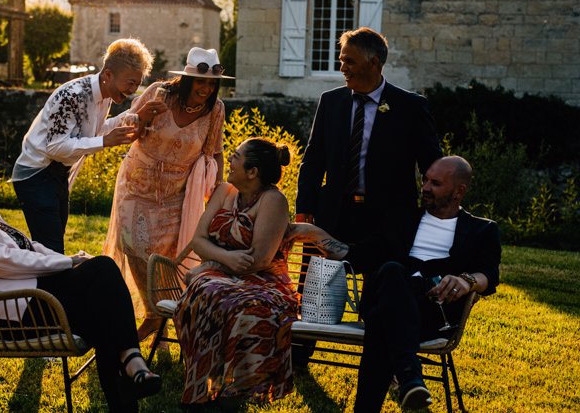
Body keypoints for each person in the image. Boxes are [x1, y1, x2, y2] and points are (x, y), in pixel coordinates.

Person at [0, 145, 161, 412]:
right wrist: (67, 263)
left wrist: (68, 258)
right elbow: (5, 261)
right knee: (103, 273)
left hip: (27, 299)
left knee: (101, 312)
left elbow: (29, 247)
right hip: (3, 314)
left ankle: (128, 383)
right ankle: (133, 364)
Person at [298, 156, 501, 411]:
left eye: (435, 183)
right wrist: (313, 234)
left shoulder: (482, 230)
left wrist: (467, 280)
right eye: (425, 179)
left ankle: (398, 383)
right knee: (392, 275)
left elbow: (489, 274)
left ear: (459, 191)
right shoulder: (403, 220)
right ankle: (409, 376)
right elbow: (361, 254)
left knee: (383, 319)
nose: (425, 187)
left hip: (433, 312)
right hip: (391, 296)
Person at [102, 47, 231, 340]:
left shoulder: (216, 109)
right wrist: (144, 116)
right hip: (136, 184)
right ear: (187, 79)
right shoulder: (160, 93)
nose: (206, 88)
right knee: (133, 245)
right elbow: (127, 129)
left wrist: (217, 195)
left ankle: (162, 316)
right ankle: (152, 312)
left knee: (165, 257)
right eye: (200, 81)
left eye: (211, 83)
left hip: (177, 194)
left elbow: (215, 153)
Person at [295, 27, 442, 270]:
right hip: (333, 214)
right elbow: (313, 160)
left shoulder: (410, 107)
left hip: (387, 219)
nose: (342, 68)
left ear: (373, 63)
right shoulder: (331, 102)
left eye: (349, 61)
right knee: (316, 295)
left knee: (380, 292)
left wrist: (432, 212)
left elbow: (432, 166)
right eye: (341, 60)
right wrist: (305, 209)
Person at [173, 138, 298, 407]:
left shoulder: (273, 201)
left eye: (236, 156)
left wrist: (214, 261)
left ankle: (236, 389)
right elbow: (198, 241)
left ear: (252, 172)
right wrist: (223, 258)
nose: (229, 160)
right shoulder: (224, 191)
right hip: (222, 272)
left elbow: (258, 260)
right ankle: (204, 385)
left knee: (235, 303)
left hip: (265, 281)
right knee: (206, 291)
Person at [12, 38, 161, 254]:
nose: (132, 90)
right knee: (50, 250)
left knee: (51, 248)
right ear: (108, 74)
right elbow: (54, 146)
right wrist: (104, 142)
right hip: (35, 175)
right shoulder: (72, 95)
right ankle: (40, 287)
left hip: (57, 174)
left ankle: (46, 286)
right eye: (130, 83)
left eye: (137, 84)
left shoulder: (106, 95)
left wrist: (136, 116)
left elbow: (96, 130)